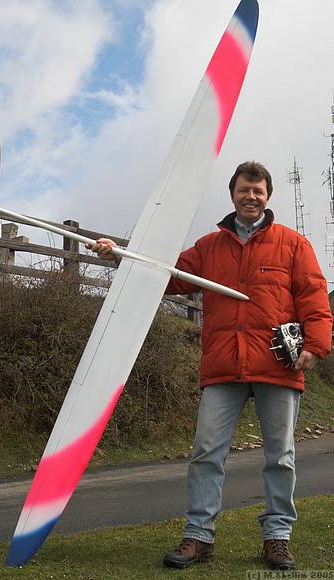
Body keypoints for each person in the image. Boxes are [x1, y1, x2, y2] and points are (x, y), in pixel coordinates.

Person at [88, 161, 333, 571]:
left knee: (281, 456)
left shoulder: (293, 245)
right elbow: (164, 274)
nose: (250, 196)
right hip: (223, 366)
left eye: (257, 190)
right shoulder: (209, 247)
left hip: (278, 366)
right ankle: (199, 537)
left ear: (267, 195)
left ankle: (277, 537)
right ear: (233, 193)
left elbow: (314, 298)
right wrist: (119, 257)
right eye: (243, 189)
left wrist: (317, 346)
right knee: (205, 453)